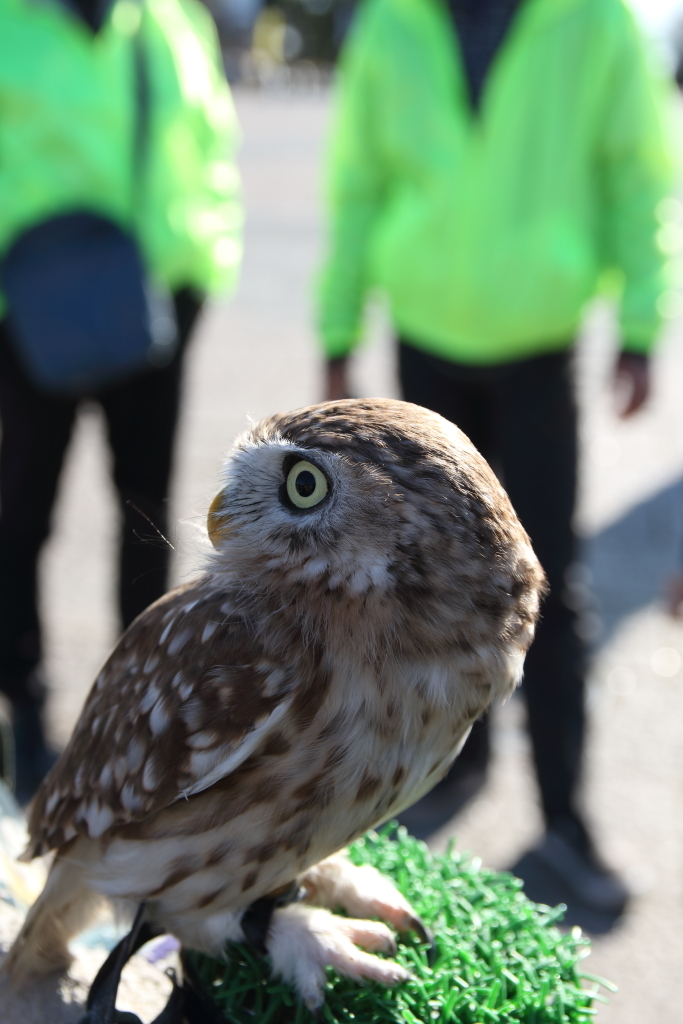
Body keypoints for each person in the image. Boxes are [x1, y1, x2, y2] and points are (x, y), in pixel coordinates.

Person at [317, 0, 674, 914]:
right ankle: (450, 765)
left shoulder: (593, 22)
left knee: (546, 585)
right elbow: (358, 179)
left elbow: (637, 170)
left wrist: (641, 322)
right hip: (426, 344)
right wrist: (338, 323)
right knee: (421, 585)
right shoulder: (392, 23)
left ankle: (565, 818)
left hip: (536, 345)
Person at [0, 0, 242, 802]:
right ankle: (25, 720)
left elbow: (211, 152)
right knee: (19, 520)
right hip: (27, 320)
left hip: (149, 310)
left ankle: (136, 717)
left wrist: (201, 274)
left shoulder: (169, 22)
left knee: (147, 520)